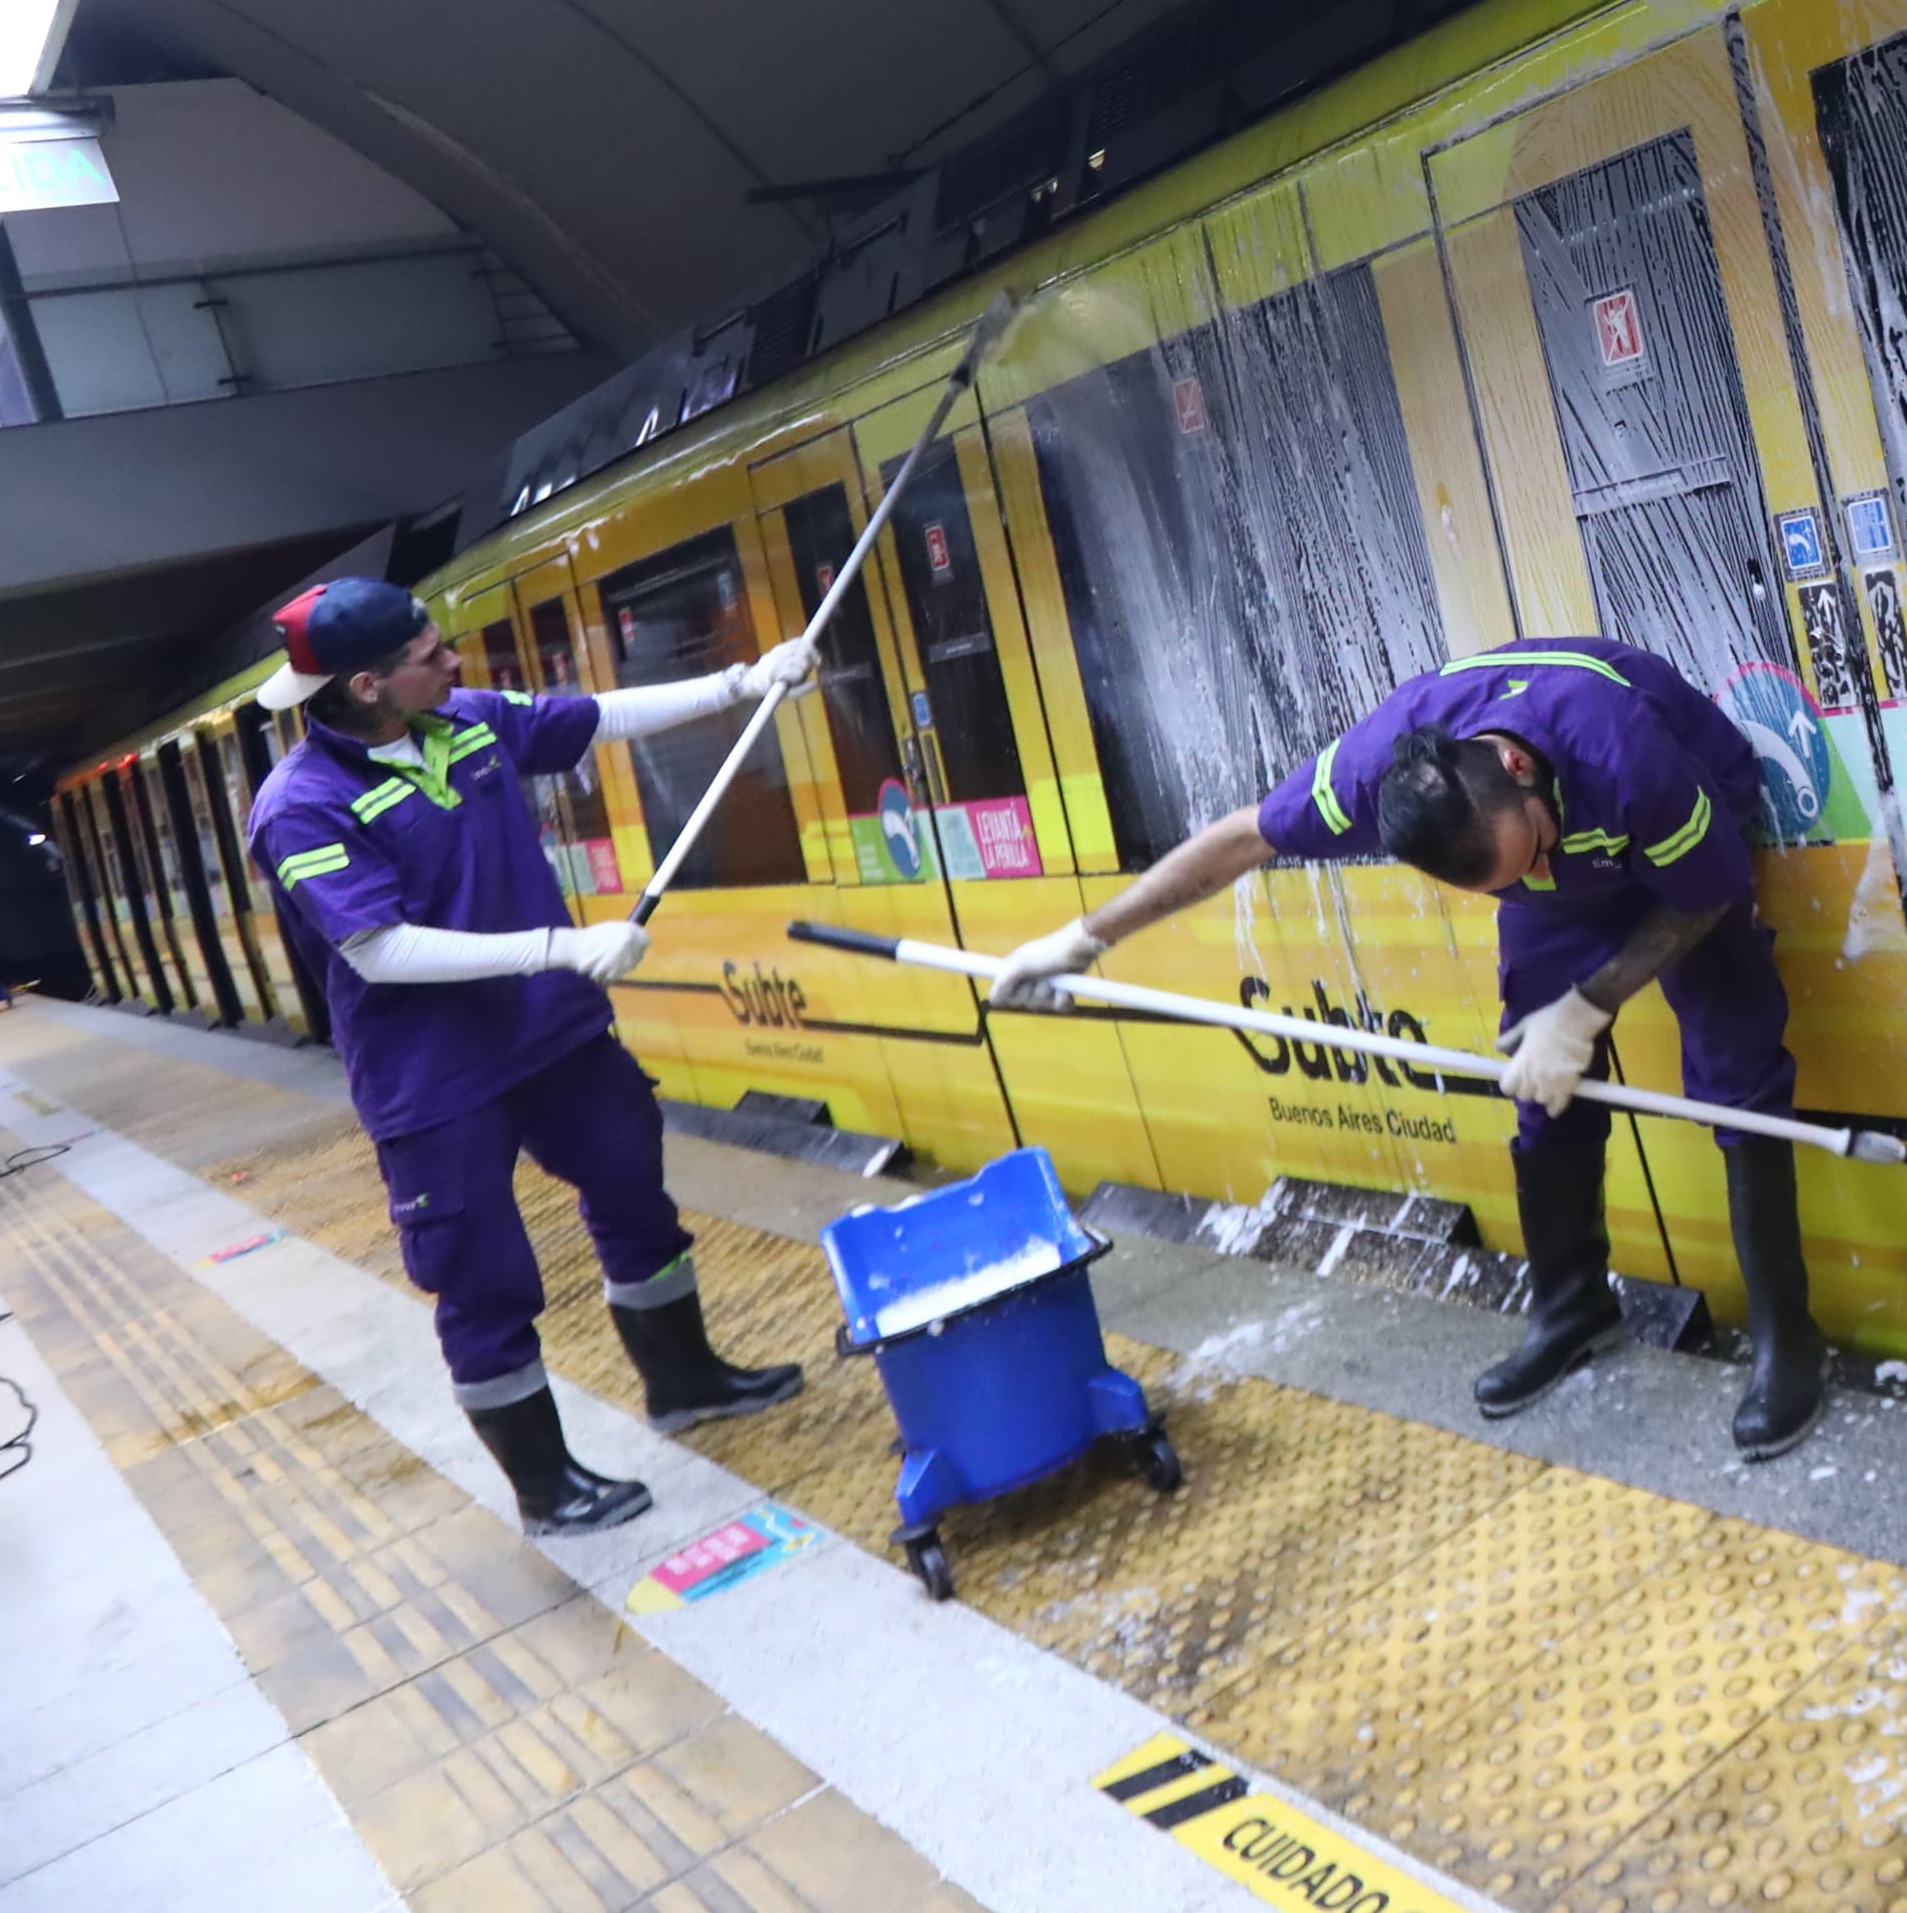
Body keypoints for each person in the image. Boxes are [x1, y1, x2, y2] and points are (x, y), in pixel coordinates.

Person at [986, 637, 1824, 1458]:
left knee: (1735, 1073)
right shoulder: (1377, 766)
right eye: (1498, 880)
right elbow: (1244, 839)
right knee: (1535, 1080)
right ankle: (1572, 1311)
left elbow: (1707, 892)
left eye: (1528, 851)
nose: (1533, 868)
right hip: (1561, 883)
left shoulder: (1618, 744)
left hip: (1686, 839)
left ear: (1522, 771)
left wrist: (1590, 1004)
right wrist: (1083, 938)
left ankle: (1787, 1342)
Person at [245, 575, 813, 1533]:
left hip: (554, 1036)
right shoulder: (299, 806)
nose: (454, 661)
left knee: (636, 1191)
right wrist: (563, 946)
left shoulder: (463, 720)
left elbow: (588, 718)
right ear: (369, 685)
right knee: (482, 1276)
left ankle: (685, 1381)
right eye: (429, 655)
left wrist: (742, 683)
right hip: (435, 1080)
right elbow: (378, 951)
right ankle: (547, 1489)